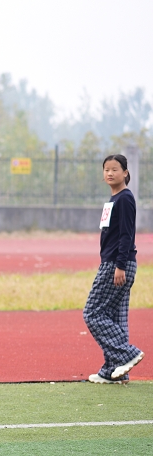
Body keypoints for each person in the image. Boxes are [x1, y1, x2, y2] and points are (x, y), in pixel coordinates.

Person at [84, 154, 144, 384]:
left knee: (93, 313)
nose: (109, 173)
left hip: (117, 264)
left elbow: (127, 234)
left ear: (125, 173)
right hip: (116, 262)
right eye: (106, 169)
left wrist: (119, 265)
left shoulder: (125, 198)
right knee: (116, 317)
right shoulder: (114, 199)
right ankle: (114, 371)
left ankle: (127, 354)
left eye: (115, 169)